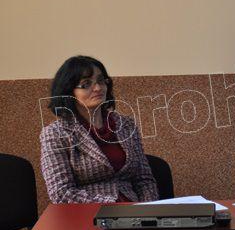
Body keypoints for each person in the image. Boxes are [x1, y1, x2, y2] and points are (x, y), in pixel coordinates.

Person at [40, 56, 158, 203]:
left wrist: (146, 210)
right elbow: (61, 193)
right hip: (87, 212)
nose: (98, 88)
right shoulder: (55, 133)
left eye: (101, 81)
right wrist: (113, 208)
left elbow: (144, 180)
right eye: (86, 84)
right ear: (69, 91)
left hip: (133, 210)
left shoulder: (126, 125)